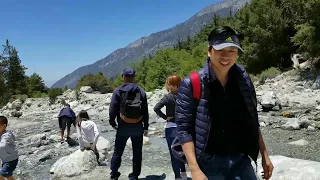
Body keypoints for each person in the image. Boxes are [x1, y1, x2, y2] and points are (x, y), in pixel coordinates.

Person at [175, 26, 274, 180]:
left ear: (237, 54)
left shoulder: (243, 81)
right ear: (209, 51)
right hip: (209, 163)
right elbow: (184, 130)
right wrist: (194, 170)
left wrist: (265, 155)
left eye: (231, 51)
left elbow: (252, 119)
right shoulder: (191, 83)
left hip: (241, 159)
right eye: (220, 51)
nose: (226, 57)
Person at [109, 68, 149, 180]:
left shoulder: (118, 91)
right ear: (134, 78)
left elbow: (113, 109)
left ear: (124, 77)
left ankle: (114, 174)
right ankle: (135, 175)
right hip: (137, 127)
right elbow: (145, 111)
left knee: (118, 151)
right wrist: (146, 127)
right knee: (137, 152)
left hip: (123, 126)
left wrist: (112, 122)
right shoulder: (141, 91)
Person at [153, 75, 187, 180]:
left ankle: (177, 177)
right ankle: (184, 173)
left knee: (173, 153)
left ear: (170, 85)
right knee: (183, 151)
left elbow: (156, 108)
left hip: (171, 127)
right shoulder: (185, 96)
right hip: (183, 127)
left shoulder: (167, 97)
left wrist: (165, 117)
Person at [0, 116, 19, 180]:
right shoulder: (1, 133)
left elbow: (2, 145)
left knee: (2, 175)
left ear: (4, 126)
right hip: (5, 159)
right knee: (8, 175)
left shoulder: (7, 136)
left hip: (11, 160)